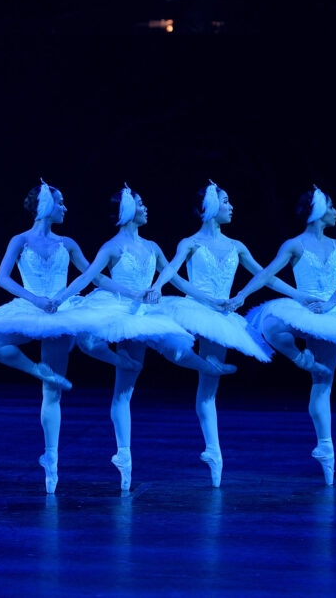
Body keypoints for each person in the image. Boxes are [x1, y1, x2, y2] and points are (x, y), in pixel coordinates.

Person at [52, 185, 235, 491]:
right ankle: (124, 455)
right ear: (127, 210)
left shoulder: (152, 246)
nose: (146, 208)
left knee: (177, 350)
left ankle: (209, 368)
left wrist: (211, 301)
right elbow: (92, 277)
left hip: (148, 313)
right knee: (116, 380)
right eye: (140, 203)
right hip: (122, 313)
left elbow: (175, 278)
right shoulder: (111, 247)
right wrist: (61, 297)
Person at [226, 187, 336, 484]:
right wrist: (241, 294)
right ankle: (301, 359)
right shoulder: (294, 245)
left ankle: (326, 449)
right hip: (302, 310)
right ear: (319, 211)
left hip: (329, 316)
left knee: (323, 385)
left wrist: (331, 303)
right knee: (270, 324)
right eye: (331, 206)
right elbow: (266, 274)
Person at [145, 181, 300, 487]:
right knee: (178, 349)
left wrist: (298, 295)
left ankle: (213, 453)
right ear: (212, 206)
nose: (232, 207)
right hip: (196, 309)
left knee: (208, 390)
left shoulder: (237, 246)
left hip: (222, 316)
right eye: (226, 201)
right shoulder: (189, 242)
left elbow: (264, 275)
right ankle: (214, 448)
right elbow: (173, 271)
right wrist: (156, 285)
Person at [0, 180, 104, 494]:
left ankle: (50, 460)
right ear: (46, 205)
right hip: (30, 308)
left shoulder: (67, 243)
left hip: (62, 314)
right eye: (61, 202)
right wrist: (35, 300)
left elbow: (92, 273)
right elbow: (1, 278)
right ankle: (35, 369)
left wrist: (132, 291)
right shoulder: (20, 240)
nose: (66, 207)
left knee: (52, 393)